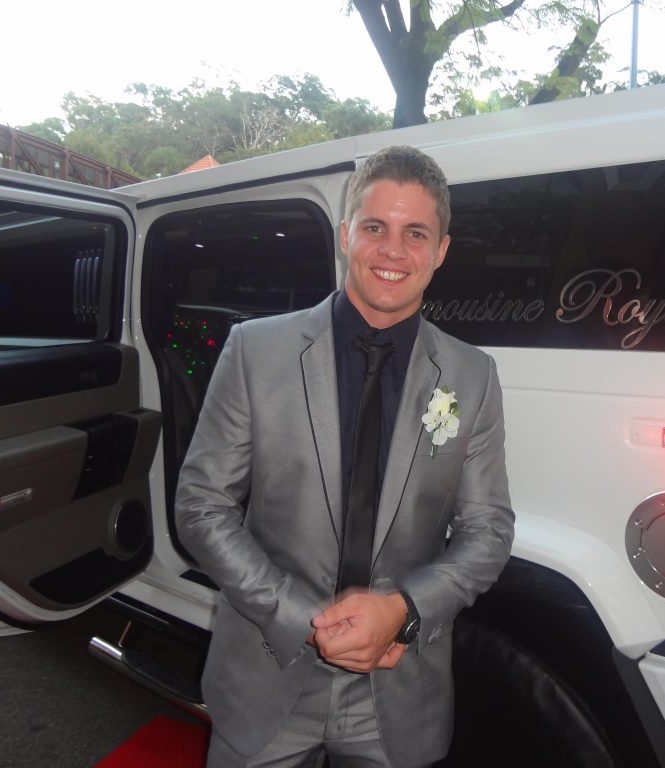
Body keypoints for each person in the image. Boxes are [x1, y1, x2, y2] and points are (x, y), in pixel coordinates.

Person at [175, 145, 514, 768]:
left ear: (440, 250)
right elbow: (202, 506)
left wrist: (401, 612)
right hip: (267, 671)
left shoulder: (473, 375)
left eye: (416, 233)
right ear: (345, 234)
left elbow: (487, 530)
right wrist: (306, 621)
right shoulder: (255, 351)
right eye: (375, 227)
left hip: (398, 688)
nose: (393, 250)